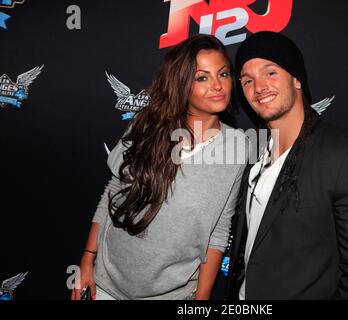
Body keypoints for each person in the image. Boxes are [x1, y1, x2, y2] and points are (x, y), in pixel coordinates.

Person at [71, 34, 248, 300]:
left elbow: (219, 230)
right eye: (202, 77)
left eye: (223, 74)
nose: (217, 85)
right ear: (182, 84)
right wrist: (87, 260)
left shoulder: (238, 146)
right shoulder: (146, 125)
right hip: (106, 284)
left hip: (173, 295)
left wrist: (200, 301)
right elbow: (115, 189)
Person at [226, 31, 348, 299]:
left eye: (270, 73)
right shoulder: (252, 155)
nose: (258, 87)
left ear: (296, 79)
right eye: (247, 80)